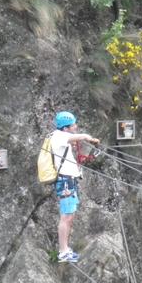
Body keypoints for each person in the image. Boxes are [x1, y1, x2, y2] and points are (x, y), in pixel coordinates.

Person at [50, 111, 100, 263]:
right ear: (65, 128)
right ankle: (63, 251)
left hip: (69, 180)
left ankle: (65, 249)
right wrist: (89, 138)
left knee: (69, 215)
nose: (76, 127)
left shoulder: (61, 137)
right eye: (73, 125)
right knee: (66, 216)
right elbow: (81, 136)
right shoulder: (60, 136)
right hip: (65, 181)